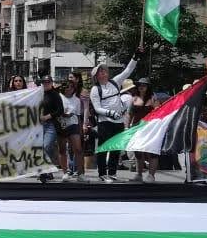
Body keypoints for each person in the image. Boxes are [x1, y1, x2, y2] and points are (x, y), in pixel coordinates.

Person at [89, 48, 141, 183]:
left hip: (118, 122)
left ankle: (112, 173)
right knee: (103, 148)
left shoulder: (114, 82)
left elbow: (128, 71)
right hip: (105, 122)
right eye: (100, 71)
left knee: (115, 148)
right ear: (96, 76)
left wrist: (135, 57)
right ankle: (102, 173)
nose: (104, 72)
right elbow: (97, 108)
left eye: (104, 70)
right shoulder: (95, 89)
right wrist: (110, 113)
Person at [129, 78, 158, 183]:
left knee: (151, 151)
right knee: (138, 152)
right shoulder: (134, 98)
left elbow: (158, 112)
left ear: (148, 87)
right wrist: (127, 127)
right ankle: (139, 174)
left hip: (149, 128)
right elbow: (130, 114)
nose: (141, 86)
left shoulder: (153, 98)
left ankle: (151, 175)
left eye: (144, 85)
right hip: (136, 127)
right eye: (140, 85)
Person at [38, 75, 65, 184]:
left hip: (51, 124)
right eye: (44, 82)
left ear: (51, 83)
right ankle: (46, 171)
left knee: (47, 146)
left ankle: (46, 170)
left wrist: (48, 116)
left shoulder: (55, 95)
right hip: (39, 125)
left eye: (48, 82)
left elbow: (60, 110)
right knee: (41, 148)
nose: (46, 84)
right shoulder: (39, 94)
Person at [60, 74, 86, 181]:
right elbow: (56, 112)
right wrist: (63, 114)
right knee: (62, 150)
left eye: (71, 87)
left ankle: (80, 174)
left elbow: (79, 116)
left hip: (74, 125)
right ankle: (65, 172)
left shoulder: (77, 100)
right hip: (61, 125)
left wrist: (81, 130)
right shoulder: (59, 97)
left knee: (78, 149)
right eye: (66, 87)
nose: (68, 89)